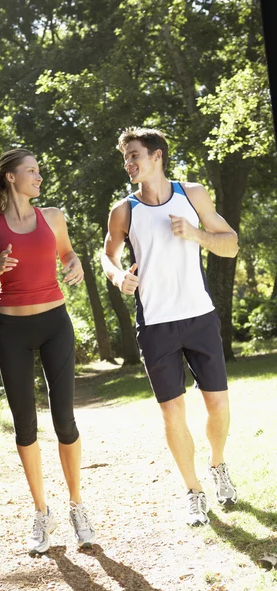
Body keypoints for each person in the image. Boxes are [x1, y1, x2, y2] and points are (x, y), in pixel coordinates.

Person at [102, 127, 239, 526]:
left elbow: (230, 243)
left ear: (157, 155)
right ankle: (194, 491)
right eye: (126, 157)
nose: (128, 163)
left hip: (199, 315)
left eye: (134, 156)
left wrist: (196, 233)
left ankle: (217, 465)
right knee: (172, 413)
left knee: (218, 404)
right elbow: (107, 255)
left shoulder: (192, 194)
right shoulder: (123, 210)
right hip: (156, 324)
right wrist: (116, 277)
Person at [0, 148, 95, 553]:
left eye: (39, 171)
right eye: (31, 171)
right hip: (12, 329)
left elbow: (67, 254)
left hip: (55, 324)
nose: (38, 177)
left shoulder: (54, 217)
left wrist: (75, 263)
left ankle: (77, 505)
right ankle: (42, 512)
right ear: (10, 177)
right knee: (24, 425)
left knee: (65, 419)